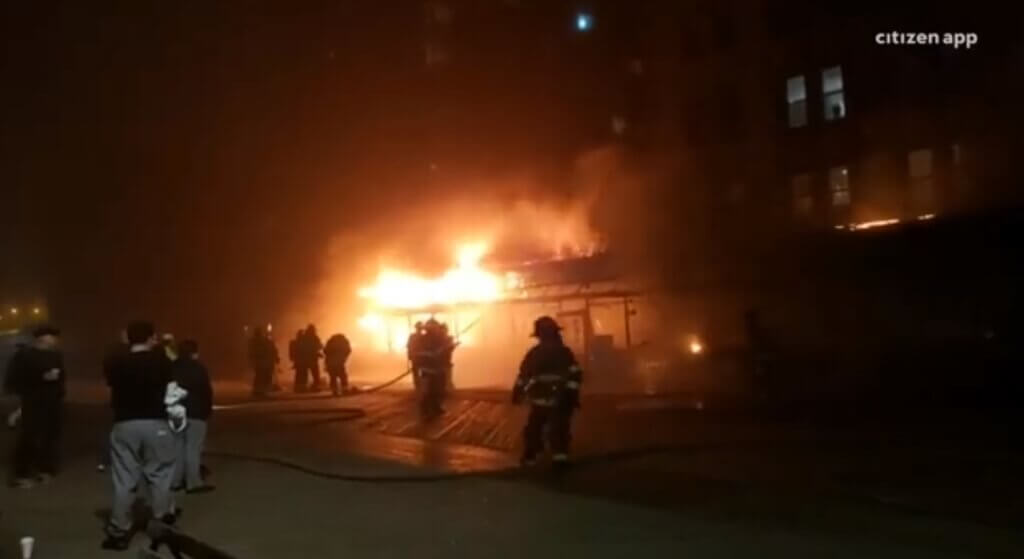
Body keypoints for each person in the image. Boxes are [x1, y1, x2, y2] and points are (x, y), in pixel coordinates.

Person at [102, 321, 178, 550]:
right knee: (160, 475)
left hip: (124, 424)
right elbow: (174, 375)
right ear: (151, 337)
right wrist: (166, 344)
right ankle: (161, 522)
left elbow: (110, 374)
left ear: (128, 337)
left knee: (124, 479)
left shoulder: (116, 362)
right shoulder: (161, 361)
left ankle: (119, 530)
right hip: (156, 423)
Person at [512, 316, 582, 471]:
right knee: (558, 429)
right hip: (560, 400)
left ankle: (532, 459)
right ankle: (559, 458)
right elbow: (575, 375)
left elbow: (524, 376)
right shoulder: (565, 353)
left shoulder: (535, 353)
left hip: (542, 401)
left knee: (535, 429)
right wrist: (570, 395)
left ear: (540, 336)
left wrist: (517, 392)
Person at [5, 325, 65, 488]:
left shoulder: (56, 356)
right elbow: (15, 380)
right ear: (42, 338)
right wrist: (41, 378)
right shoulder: (24, 356)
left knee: (50, 438)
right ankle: (21, 474)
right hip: (32, 402)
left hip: (52, 404)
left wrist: (59, 392)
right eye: (52, 336)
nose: (55, 340)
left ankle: (45, 470)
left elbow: (61, 378)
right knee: (29, 437)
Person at [171, 340, 214, 494]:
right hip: (195, 413)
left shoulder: (172, 368)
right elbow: (206, 391)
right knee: (193, 448)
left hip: (176, 413)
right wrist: (207, 410)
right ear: (194, 353)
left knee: (177, 447)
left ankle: (175, 481)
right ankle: (193, 482)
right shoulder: (198, 368)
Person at [98, 329, 129, 473]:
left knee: (115, 428)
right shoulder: (132, 354)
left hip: (118, 396)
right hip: (129, 397)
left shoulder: (113, 353)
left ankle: (108, 459)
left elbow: (108, 372)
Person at [414, 319, 451, 417]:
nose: (436, 329)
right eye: (434, 327)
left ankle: (436, 407)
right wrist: (433, 354)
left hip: (438, 369)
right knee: (427, 391)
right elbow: (419, 352)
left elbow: (443, 351)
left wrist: (447, 348)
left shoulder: (439, 338)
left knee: (438, 390)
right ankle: (425, 410)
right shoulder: (423, 339)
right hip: (427, 370)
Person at [248, 325, 278, 398]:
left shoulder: (256, 341)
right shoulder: (260, 341)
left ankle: (260, 390)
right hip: (262, 361)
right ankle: (260, 390)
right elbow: (270, 349)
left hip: (262, 361)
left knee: (261, 375)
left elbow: (271, 349)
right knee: (261, 375)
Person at [301, 324, 324, 392]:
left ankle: (303, 387)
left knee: (304, 374)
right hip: (313, 358)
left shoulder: (304, 337)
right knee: (315, 374)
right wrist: (318, 353)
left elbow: (301, 347)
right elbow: (319, 346)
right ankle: (315, 387)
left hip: (305, 358)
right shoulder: (314, 337)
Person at [406, 322, 425, 392]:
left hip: (421, 357)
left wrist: (410, 356)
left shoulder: (423, 337)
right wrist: (410, 356)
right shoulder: (413, 336)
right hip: (417, 357)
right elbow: (409, 346)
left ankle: (420, 387)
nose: (419, 329)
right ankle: (418, 387)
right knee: (417, 373)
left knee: (421, 373)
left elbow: (409, 346)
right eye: (418, 328)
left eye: (420, 328)